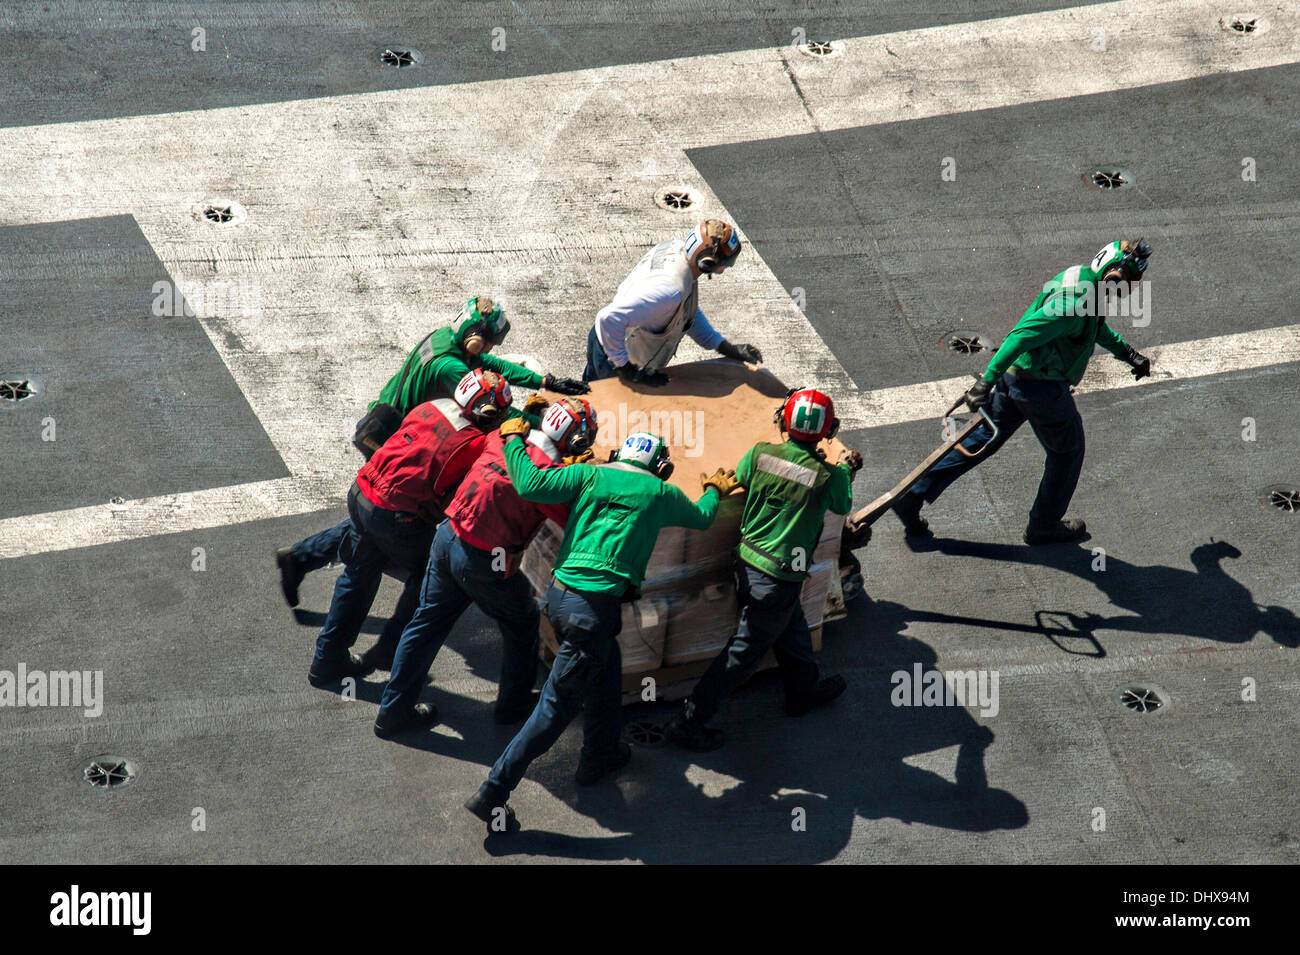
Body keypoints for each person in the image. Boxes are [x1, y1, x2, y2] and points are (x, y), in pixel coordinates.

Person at [465, 431, 732, 832]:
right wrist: (714, 488)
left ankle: (601, 754)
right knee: (554, 710)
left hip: (560, 599)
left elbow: (528, 482)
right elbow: (704, 516)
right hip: (592, 614)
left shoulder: (590, 474)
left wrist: (516, 440)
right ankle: (493, 791)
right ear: (661, 467)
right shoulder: (661, 492)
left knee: (607, 665)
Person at [277, 296, 587, 608]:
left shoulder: (444, 338)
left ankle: (302, 558)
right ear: (475, 339)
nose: (490, 350)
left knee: (375, 521)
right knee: (385, 520)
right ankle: (306, 558)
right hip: (403, 442)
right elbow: (498, 413)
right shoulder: (449, 367)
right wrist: (550, 426)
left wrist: (545, 381)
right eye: (489, 343)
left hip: (393, 426)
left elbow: (488, 366)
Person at [891, 239, 1153, 545]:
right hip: (1041, 387)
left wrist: (1129, 353)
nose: (1129, 290)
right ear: (1113, 272)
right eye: (1128, 282)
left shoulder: (1084, 280)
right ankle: (1044, 525)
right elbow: (1022, 334)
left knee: (981, 440)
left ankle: (915, 495)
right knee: (1067, 451)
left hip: (1017, 378)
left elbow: (1093, 328)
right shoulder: (1075, 303)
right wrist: (984, 382)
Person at [373, 396, 599, 738]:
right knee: (522, 622)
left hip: (447, 537)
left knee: (426, 624)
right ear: (577, 439)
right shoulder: (550, 477)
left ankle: (392, 712)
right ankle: (511, 707)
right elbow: (575, 521)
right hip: (484, 559)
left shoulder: (502, 439)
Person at [665, 388, 858, 751]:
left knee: (790, 623)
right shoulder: (828, 477)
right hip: (778, 577)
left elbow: (742, 476)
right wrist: (846, 468)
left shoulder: (759, 454)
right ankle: (689, 721)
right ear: (827, 430)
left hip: (747, 563)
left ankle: (803, 692)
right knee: (742, 655)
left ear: (783, 422)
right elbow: (843, 502)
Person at [307, 369, 514, 688]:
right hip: (391, 514)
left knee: (358, 573)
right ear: (488, 413)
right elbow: (453, 494)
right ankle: (390, 651)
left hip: (362, 492)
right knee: (431, 571)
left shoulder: (431, 407)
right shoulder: (475, 442)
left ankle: (326, 660)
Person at [583, 220, 764, 386]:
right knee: (607, 417)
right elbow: (607, 318)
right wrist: (626, 369)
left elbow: (683, 313)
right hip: (613, 360)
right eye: (726, 263)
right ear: (707, 263)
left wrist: (724, 346)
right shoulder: (670, 292)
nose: (727, 267)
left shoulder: (677, 252)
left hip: (605, 342)